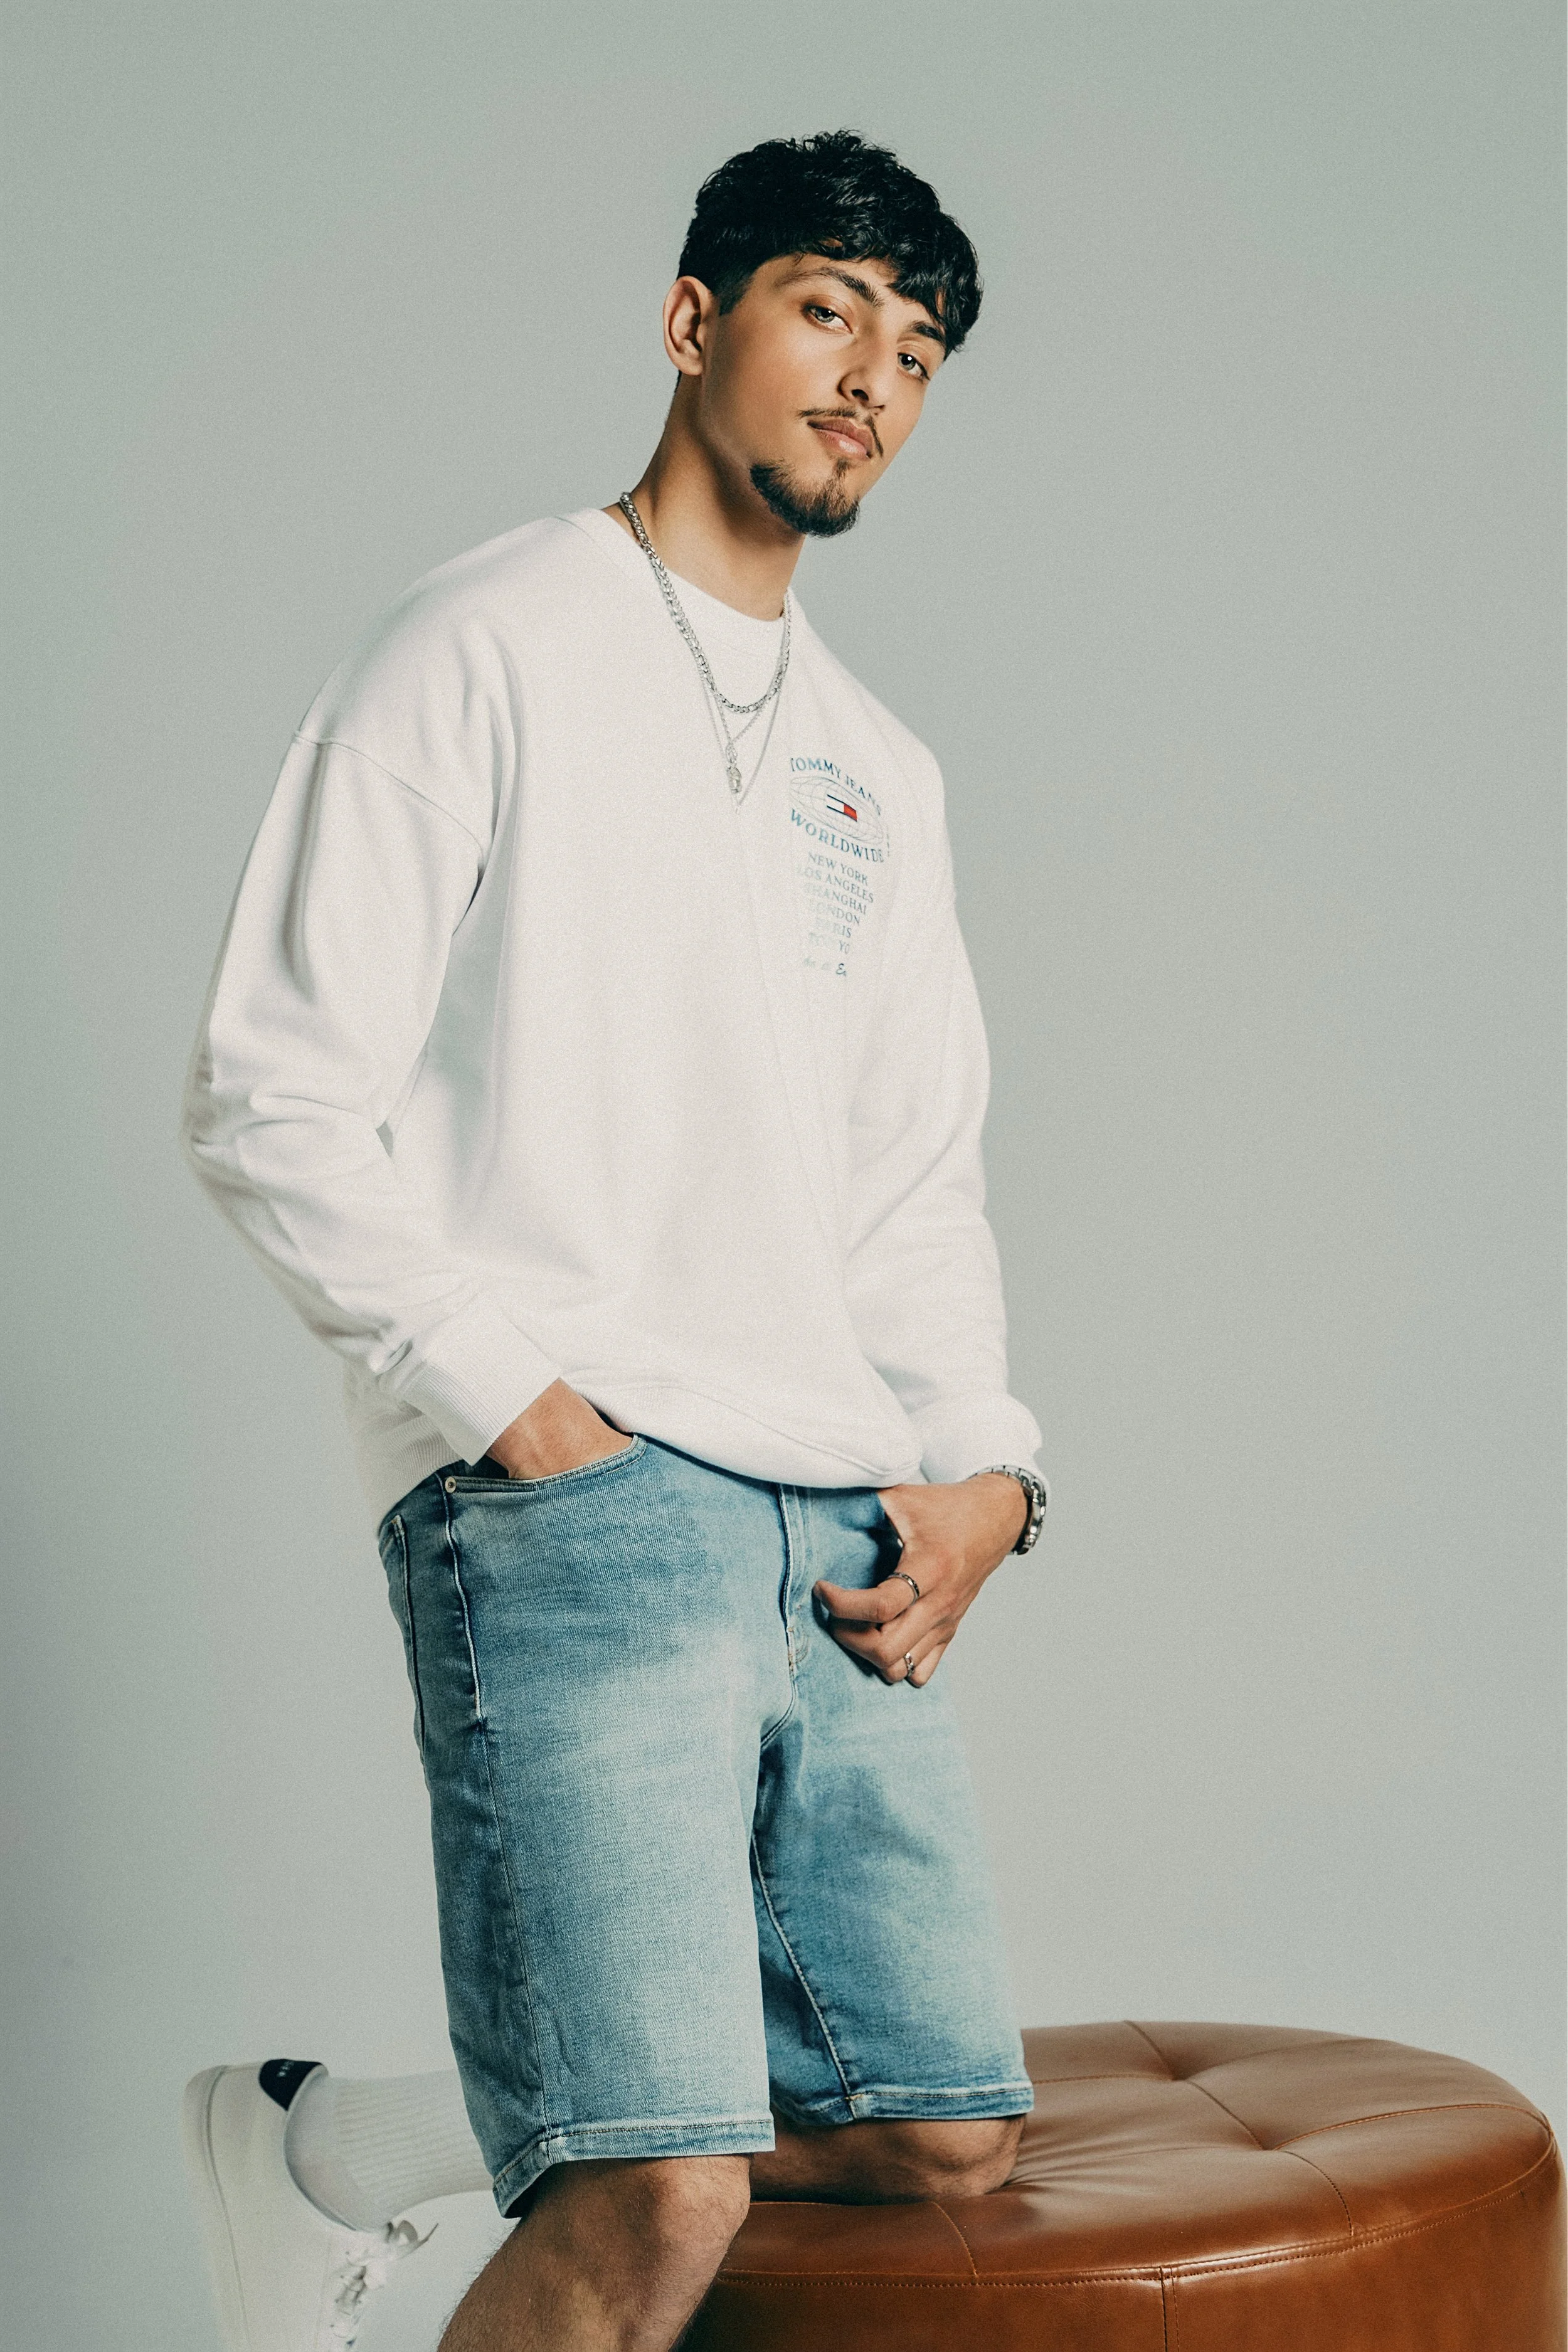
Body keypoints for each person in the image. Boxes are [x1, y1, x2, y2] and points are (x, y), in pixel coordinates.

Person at [179, 127, 1050, 2352]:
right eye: (829, 309)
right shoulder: (483, 639)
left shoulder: (885, 764)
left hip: (835, 1518)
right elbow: (272, 1084)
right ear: (693, 322)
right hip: (581, 1494)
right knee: (656, 2189)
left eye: (920, 347)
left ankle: (345, 2152)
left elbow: (908, 1174)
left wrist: (984, 1469)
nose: (874, 378)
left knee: (929, 2128)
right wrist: (508, 1402)